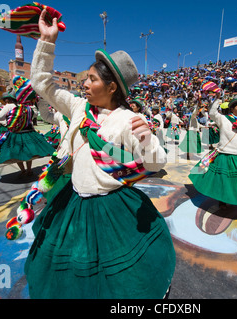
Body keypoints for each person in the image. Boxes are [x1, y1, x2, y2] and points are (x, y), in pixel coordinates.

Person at [24, 9, 175, 299]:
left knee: (114, 271)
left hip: (111, 206)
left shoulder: (127, 120)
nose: (85, 83)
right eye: (86, 78)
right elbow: (42, 83)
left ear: (112, 86)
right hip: (73, 199)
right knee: (69, 263)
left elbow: (157, 163)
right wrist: (47, 41)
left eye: (92, 79)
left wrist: (147, 140)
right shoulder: (79, 108)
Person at [188, 95, 237, 209]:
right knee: (223, 180)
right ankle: (222, 200)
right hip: (225, 155)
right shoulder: (223, 119)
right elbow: (213, 113)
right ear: (232, 108)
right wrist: (217, 98)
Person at [0, 77, 54, 177]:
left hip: (15, 133)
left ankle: (23, 170)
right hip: (28, 132)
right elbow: (34, 115)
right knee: (29, 152)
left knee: (18, 153)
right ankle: (29, 170)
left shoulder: (9, 106)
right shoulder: (27, 107)